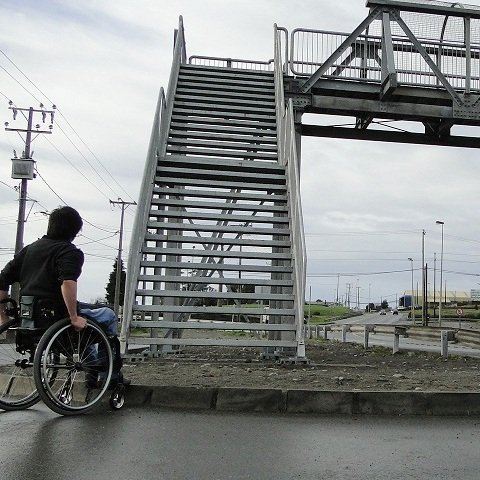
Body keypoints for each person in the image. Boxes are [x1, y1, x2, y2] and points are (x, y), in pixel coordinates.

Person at [0, 205, 126, 385]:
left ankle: (92, 366)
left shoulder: (29, 250)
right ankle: (107, 375)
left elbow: (2, 281)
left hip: (30, 317)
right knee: (108, 315)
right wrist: (73, 317)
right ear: (75, 231)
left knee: (86, 323)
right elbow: (67, 282)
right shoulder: (68, 251)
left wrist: (3, 317)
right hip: (56, 315)